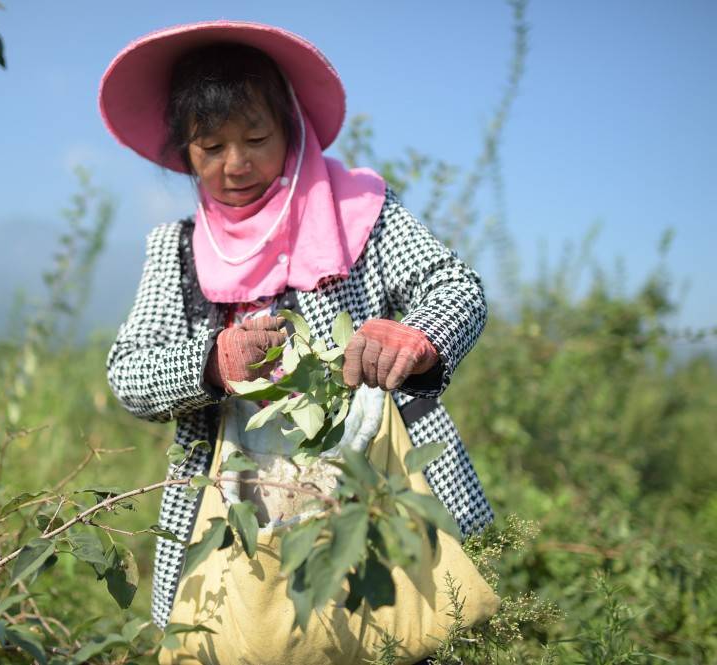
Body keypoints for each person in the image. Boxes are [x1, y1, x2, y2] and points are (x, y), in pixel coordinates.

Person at [99, 20, 494, 658]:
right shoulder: (174, 252)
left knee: (406, 630)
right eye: (210, 147)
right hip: (235, 499)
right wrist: (213, 362)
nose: (235, 164)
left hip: (377, 482)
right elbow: (128, 375)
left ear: (292, 129)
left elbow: (457, 287)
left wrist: (416, 335)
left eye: (256, 138)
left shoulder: (360, 210)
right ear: (185, 154)